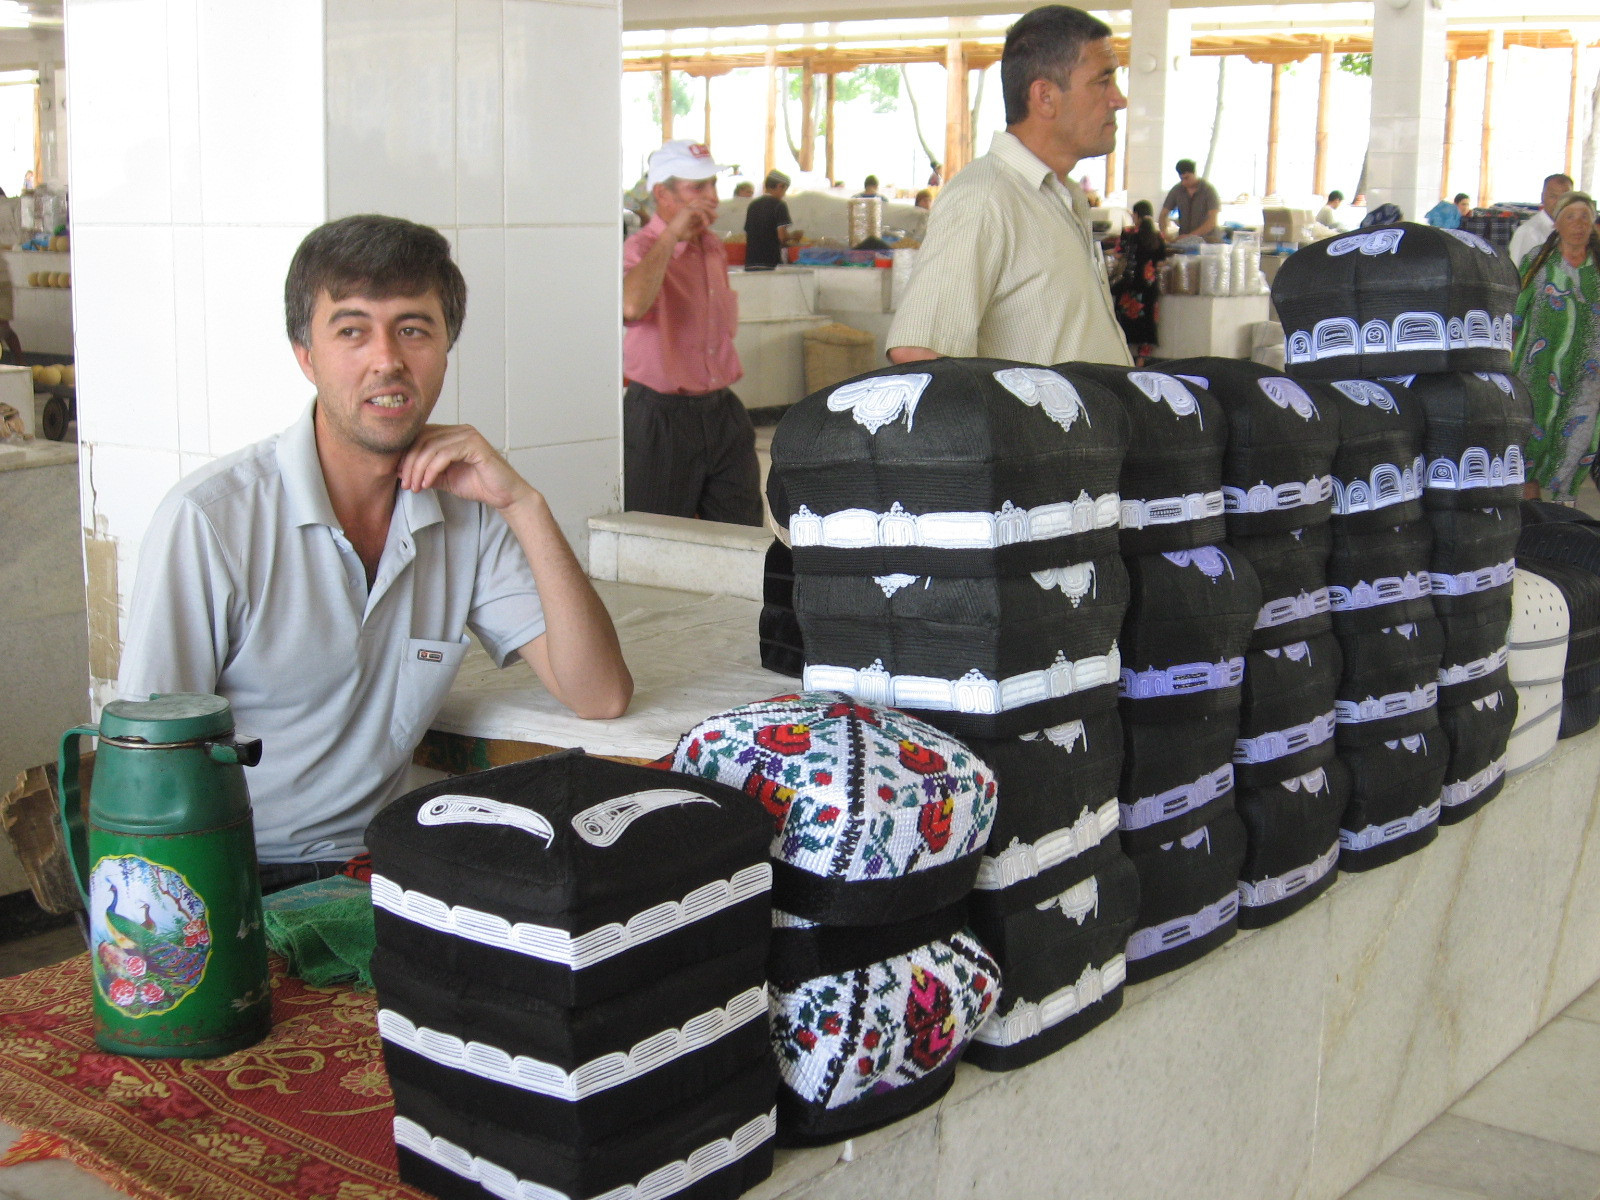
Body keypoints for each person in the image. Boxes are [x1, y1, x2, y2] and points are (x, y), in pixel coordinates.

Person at [117, 215, 633, 888]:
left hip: (383, 867)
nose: (387, 359)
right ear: (306, 355)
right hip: (233, 869)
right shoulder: (211, 522)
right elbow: (150, 766)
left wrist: (523, 506)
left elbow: (599, 695)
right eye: (352, 331)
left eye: (414, 329)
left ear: (446, 350)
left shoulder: (467, 513)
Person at [886, 5, 1131, 367]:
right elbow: (918, 354)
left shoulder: (1065, 197)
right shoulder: (985, 198)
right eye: (1103, 80)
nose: (1119, 99)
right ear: (1045, 96)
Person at [622, 140, 764, 526]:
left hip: (721, 411)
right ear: (662, 194)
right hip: (661, 417)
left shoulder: (713, 248)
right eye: (696, 188)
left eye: (713, 186)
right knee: (658, 536)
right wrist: (672, 237)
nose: (711, 198)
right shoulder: (641, 248)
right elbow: (630, 307)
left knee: (741, 534)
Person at [1514, 190, 1600, 503]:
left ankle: (1565, 504)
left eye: (1585, 217)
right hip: (1538, 369)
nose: (1579, 224)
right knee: (1532, 436)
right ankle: (1531, 508)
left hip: (1588, 374)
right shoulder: (1538, 262)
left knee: (1578, 438)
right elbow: (1516, 313)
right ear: (1557, 224)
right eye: (1570, 217)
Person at [1112, 199, 1165, 366]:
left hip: (1129, 285)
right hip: (1149, 286)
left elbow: (1118, 254)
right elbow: (1161, 261)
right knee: (1147, 324)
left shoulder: (1127, 233)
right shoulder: (1157, 235)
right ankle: (1141, 363)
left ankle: (1124, 360)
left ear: (1135, 215)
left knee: (1125, 324)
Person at [1508, 173, 1575, 267]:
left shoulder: (1577, 230)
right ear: (1542, 197)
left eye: (1564, 198)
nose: (1559, 203)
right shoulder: (1529, 232)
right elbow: (1517, 274)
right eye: (1553, 196)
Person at [744, 171, 801, 271]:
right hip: (770, 263)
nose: (784, 194)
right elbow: (782, 237)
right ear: (780, 186)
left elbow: (748, 233)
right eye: (785, 190)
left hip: (750, 262)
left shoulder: (752, 205)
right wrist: (794, 236)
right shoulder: (779, 205)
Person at [1160, 158, 1222, 243]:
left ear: (1195, 173)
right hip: (1185, 241)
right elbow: (1163, 214)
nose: (1184, 182)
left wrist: (1190, 236)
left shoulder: (1208, 190)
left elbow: (1212, 221)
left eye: (1187, 178)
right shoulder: (1177, 190)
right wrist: (1164, 233)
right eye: (1181, 179)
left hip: (1208, 241)